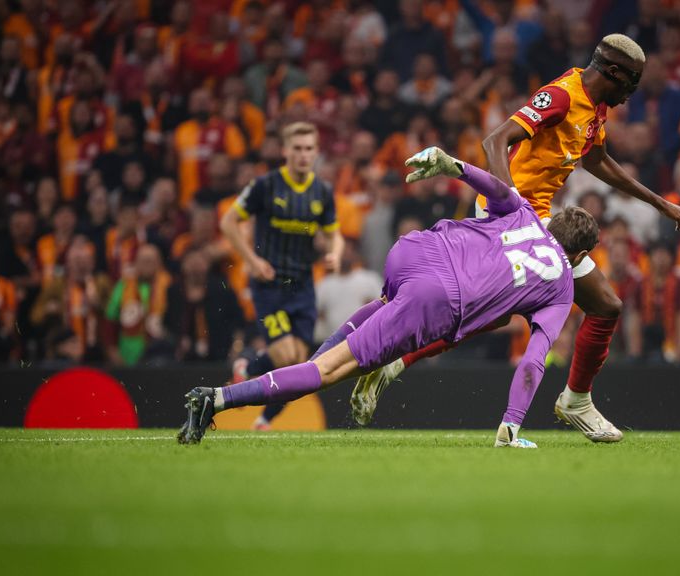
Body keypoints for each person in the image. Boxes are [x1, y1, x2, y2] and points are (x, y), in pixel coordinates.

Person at [350, 34, 680, 442]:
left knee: (597, 306)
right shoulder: (560, 96)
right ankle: (395, 361)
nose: (632, 92)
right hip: (510, 217)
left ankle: (574, 400)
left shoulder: (597, 108)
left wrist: (660, 203)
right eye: (631, 81)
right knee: (512, 310)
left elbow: (596, 159)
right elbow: (495, 140)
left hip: (536, 220)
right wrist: (510, 206)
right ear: (612, 72)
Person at [178, 147, 598, 448]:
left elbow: (496, 187)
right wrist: (512, 424)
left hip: (415, 251)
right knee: (326, 372)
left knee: (336, 351)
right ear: (578, 255)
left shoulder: (525, 212)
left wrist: (452, 165)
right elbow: (532, 361)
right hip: (436, 298)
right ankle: (214, 399)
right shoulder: (562, 287)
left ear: (553, 221)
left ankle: (358, 362)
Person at [222, 122, 343, 431]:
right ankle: (258, 397)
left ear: (316, 152)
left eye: (309, 149)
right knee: (286, 354)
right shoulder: (266, 185)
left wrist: (335, 254)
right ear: (286, 151)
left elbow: (335, 234)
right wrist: (251, 259)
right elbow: (229, 222)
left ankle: (257, 395)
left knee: (303, 362)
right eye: (297, 148)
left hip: (302, 285)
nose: (303, 155)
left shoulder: (322, 192)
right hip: (270, 283)